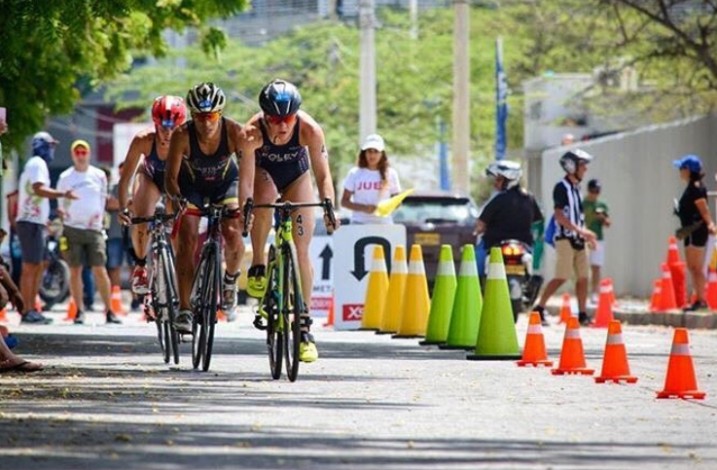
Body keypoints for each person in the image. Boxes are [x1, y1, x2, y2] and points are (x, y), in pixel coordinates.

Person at [245, 79, 338, 363]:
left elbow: (323, 175)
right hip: (264, 171)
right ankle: (259, 263)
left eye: (288, 119)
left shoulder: (309, 129)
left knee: (301, 250)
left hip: (296, 175)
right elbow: (246, 178)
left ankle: (304, 325)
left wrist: (329, 207)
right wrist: (246, 206)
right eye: (275, 120)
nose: (283, 126)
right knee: (261, 204)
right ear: (264, 117)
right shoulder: (252, 131)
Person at [165, 82, 255, 334]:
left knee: (233, 230)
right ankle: (184, 309)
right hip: (191, 186)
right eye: (200, 117)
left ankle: (230, 282)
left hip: (226, 184)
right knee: (186, 239)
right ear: (193, 116)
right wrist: (177, 198)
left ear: (221, 113)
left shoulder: (235, 132)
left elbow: (247, 177)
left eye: (212, 116)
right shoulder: (182, 135)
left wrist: (248, 207)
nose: (206, 123)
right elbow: (170, 178)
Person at [119, 96, 187, 295]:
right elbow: (125, 179)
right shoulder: (144, 140)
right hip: (150, 177)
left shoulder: (189, 140)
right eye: (163, 128)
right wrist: (123, 209)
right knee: (141, 216)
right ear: (155, 124)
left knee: (179, 223)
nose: (167, 134)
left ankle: (178, 270)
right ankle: (140, 266)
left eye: (173, 128)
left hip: (175, 181)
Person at [56, 140, 121, 324]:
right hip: (72, 228)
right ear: (72, 154)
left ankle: (109, 311)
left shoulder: (99, 175)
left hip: (94, 229)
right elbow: (61, 204)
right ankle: (79, 310)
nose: (81, 155)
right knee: (75, 270)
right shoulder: (65, 177)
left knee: (100, 269)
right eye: (77, 152)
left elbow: (103, 200)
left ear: (89, 153)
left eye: (84, 152)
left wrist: (100, 220)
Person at [16, 131, 78, 324]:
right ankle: (26, 310)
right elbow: (38, 189)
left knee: (38, 266)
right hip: (29, 221)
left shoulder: (36, 165)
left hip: (35, 222)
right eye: (50, 146)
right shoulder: (37, 164)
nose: (52, 150)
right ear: (42, 146)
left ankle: (31, 308)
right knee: (30, 267)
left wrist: (46, 219)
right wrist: (63, 194)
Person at [532, 149, 597, 326]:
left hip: (579, 240)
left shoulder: (576, 189)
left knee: (584, 277)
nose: (586, 169)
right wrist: (581, 232)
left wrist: (587, 235)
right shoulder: (561, 187)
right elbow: (560, 216)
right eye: (583, 165)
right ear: (571, 166)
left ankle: (582, 314)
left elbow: (577, 217)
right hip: (565, 239)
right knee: (562, 276)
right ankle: (539, 307)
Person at [673, 155, 717, 311]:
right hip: (689, 231)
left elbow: (703, 208)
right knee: (692, 267)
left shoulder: (696, 187)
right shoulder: (692, 186)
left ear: (688, 170)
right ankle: (697, 298)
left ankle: (702, 300)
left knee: (697, 267)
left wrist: (710, 223)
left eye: (681, 168)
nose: (680, 171)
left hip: (696, 231)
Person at [475, 160, 543, 252]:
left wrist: (478, 230)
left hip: (495, 246)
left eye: (499, 180)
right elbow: (538, 222)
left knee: (476, 260)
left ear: (509, 180)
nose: (495, 183)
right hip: (524, 246)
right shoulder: (529, 198)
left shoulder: (499, 199)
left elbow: (481, 224)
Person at [340, 133, 401, 224]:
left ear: (382, 154)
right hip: (359, 223)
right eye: (369, 151)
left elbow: (398, 202)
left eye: (376, 151)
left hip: (384, 224)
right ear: (364, 153)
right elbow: (344, 201)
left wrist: (385, 207)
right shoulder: (355, 173)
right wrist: (364, 208)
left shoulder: (391, 173)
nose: (372, 155)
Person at [583, 178, 611, 304]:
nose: (595, 193)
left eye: (597, 191)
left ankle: (594, 292)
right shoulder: (582, 204)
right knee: (583, 267)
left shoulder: (602, 205)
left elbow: (608, 223)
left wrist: (602, 218)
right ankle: (583, 292)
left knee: (596, 267)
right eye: (593, 191)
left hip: (598, 238)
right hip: (583, 238)